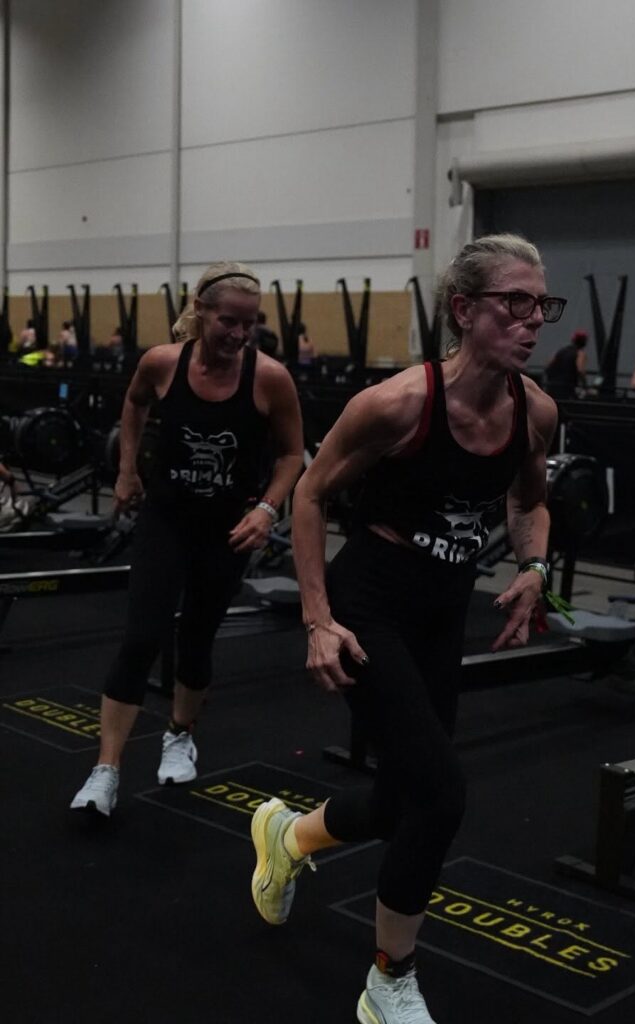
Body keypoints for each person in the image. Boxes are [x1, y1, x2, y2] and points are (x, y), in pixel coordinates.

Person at [248, 234, 562, 1023]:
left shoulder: (536, 411)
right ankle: (388, 980)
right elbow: (310, 495)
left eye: (541, 305)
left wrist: (534, 567)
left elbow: (529, 502)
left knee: (401, 800)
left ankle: (288, 837)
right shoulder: (396, 405)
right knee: (441, 795)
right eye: (515, 303)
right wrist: (318, 620)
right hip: (370, 603)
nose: (533, 320)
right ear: (464, 309)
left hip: (442, 608)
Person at [70, 261, 304, 817]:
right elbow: (134, 404)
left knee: (197, 638)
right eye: (229, 321)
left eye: (250, 324)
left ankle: (180, 733)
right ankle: (106, 770)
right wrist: (127, 469)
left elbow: (293, 454)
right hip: (166, 520)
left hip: (226, 530)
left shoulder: (269, 378)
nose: (240, 334)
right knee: (141, 637)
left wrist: (268, 509)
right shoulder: (161, 363)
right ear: (201, 311)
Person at [544, 328, 588, 399]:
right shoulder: (580, 353)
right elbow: (580, 369)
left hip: (552, 387)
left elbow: (548, 366)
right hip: (567, 389)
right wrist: (585, 385)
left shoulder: (561, 351)